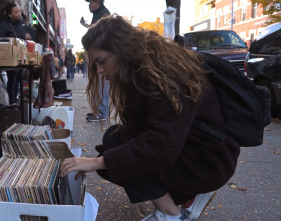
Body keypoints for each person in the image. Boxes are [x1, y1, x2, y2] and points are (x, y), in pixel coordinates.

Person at [60, 15, 240, 221]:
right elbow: (139, 130)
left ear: (121, 50)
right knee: (113, 141)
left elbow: (160, 147)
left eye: (102, 62)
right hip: (195, 150)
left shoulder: (165, 76)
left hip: (208, 162)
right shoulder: (140, 71)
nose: (99, 71)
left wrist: (96, 163)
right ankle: (186, 197)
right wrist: (104, 160)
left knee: (112, 155)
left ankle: (171, 215)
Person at [0, 3, 35, 106]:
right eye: (16, 12)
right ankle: (11, 103)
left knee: (18, 80)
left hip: (22, 57)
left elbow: (29, 37)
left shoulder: (22, 24)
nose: (19, 14)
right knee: (12, 79)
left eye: (19, 11)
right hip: (9, 57)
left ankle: (16, 101)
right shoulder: (4, 25)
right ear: (9, 14)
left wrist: (28, 37)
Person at [80, 0, 110, 122]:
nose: (90, 5)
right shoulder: (97, 13)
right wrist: (85, 25)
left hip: (103, 53)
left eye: (92, 2)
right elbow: (94, 30)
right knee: (98, 84)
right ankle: (99, 110)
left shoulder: (104, 13)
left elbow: (100, 32)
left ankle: (102, 112)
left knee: (102, 84)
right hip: (99, 52)